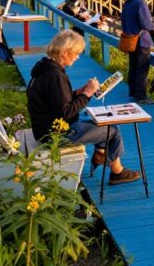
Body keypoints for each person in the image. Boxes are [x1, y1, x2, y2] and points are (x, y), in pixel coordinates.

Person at [26, 30, 140, 185]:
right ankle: (117, 172)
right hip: (55, 135)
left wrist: (79, 92)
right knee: (112, 130)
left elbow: (58, 101)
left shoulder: (45, 69)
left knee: (102, 124)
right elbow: (66, 113)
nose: (78, 57)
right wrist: (87, 94)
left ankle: (101, 154)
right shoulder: (55, 76)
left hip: (44, 129)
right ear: (65, 53)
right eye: (76, 53)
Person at [121, 0, 154, 105]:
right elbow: (146, 24)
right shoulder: (140, 3)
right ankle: (141, 96)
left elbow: (124, 20)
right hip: (141, 41)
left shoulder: (128, 2)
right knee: (142, 69)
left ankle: (133, 92)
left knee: (133, 67)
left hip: (130, 39)